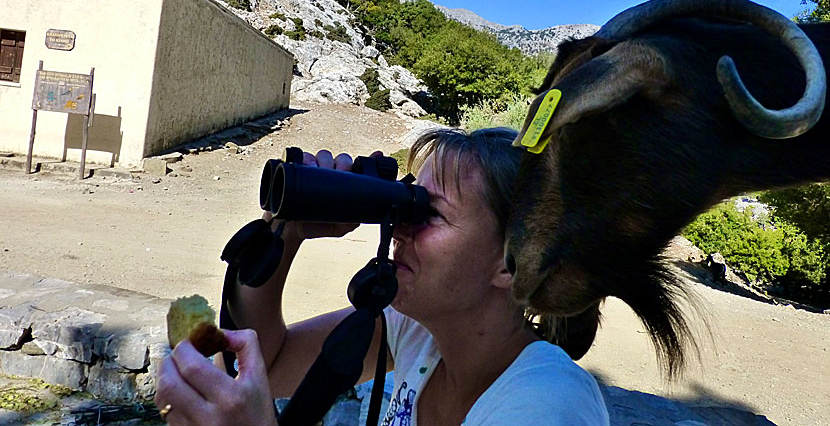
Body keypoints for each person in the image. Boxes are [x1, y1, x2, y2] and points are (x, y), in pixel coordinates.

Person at [154, 127, 610, 425]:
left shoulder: (548, 406)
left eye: (427, 213)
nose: (399, 225)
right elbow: (264, 368)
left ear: (512, 264)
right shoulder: (418, 334)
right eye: (405, 200)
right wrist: (286, 231)